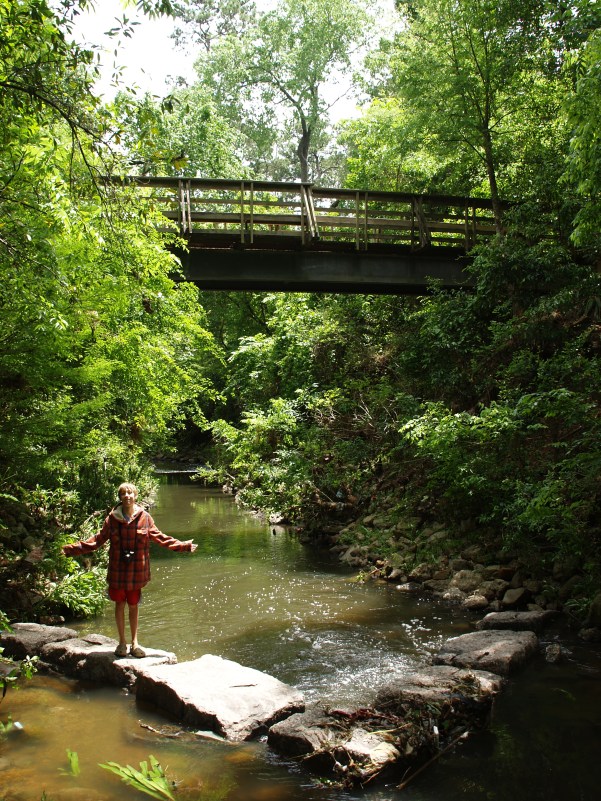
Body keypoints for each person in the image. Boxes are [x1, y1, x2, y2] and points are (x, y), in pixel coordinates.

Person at [62, 482, 197, 658]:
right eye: (124, 493)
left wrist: (183, 546)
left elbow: (160, 538)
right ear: (120, 497)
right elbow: (96, 540)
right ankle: (121, 643)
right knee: (119, 604)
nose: (127, 496)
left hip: (136, 571)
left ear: (136, 496)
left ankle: (135, 643)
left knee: (133, 605)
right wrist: (69, 549)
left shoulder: (145, 517)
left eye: (130, 493)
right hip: (118, 569)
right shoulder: (112, 519)